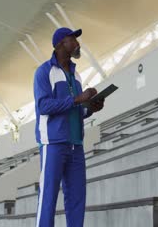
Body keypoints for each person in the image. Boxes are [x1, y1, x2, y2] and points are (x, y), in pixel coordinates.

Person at [34, 27, 104, 226]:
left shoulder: (77, 76)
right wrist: (76, 99)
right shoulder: (44, 71)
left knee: (76, 200)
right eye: (72, 39)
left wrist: (91, 108)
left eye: (76, 40)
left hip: (76, 145)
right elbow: (43, 106)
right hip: (53, 144)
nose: (77, 43)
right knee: (48, 198)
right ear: (59, 45)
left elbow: (77, 110)